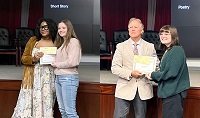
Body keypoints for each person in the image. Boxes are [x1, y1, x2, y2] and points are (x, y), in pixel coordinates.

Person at [111, 17, 160, 118]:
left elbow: (156, 65)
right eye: (130, 27)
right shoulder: (120, 46)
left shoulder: (150, 46)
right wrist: (130, 73)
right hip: (125, 86)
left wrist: (150, 73)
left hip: (143, 87)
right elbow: (115, 68)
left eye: (135, 27)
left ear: (142, 30)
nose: (132, 29)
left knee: (141, 116)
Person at [12, 18, 58, 118]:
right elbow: (23, 58)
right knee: (28, 102)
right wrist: (34, 58)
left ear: (51, 28)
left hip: (49, 79)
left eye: (46, 27)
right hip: (33, 78)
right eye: (41, 27)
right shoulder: (33, 40)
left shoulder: (57, 42)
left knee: (46, 101)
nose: (43, 29)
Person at [145, 25, 190, 118]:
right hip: (171, 92)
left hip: (174, 93)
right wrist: (153, 76)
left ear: (174, 35)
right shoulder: (169, 50)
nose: (163, 36)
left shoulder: (176, 50)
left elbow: (171, 73)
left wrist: (153, 75)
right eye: (161, 33)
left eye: (166, 33)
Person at [51, 19, 81, 118]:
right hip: (58, 78)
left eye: (63, 28)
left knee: (70, 112)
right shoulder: (61, 43)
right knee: (63, 111)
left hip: (68, 78)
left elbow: (73, 62)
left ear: (69, 29)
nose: (61, 30)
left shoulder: (73, 42)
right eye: (59, 28)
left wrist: (57, 64)